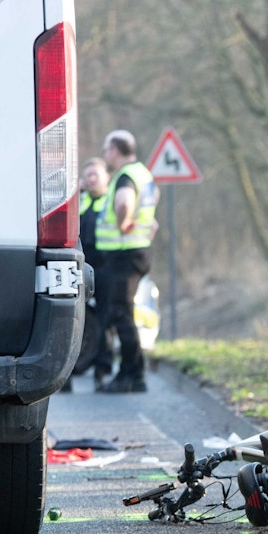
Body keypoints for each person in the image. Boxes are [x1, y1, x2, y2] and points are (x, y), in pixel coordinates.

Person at [93, 130, 159, 393]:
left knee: (121, 314)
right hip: (136, 252)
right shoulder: (143, 173)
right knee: (123, 313)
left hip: (124, 254)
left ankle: (131, 375)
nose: (105, 154)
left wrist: (123, 223)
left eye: (107, 149)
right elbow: (151, 213)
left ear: (116, 151)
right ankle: (133, 373)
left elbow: (124, 202)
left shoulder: (125, 176)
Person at [78, 157, 114, 388]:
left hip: (106, 267)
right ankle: (71, 372)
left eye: (96, 175)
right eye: (88, 175)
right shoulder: (79, 201)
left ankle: (102, 369)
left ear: (106, 179)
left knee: (105, 319)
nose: (92, 179)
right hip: (81, 267)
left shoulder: (112, 200)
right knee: (76, 319)